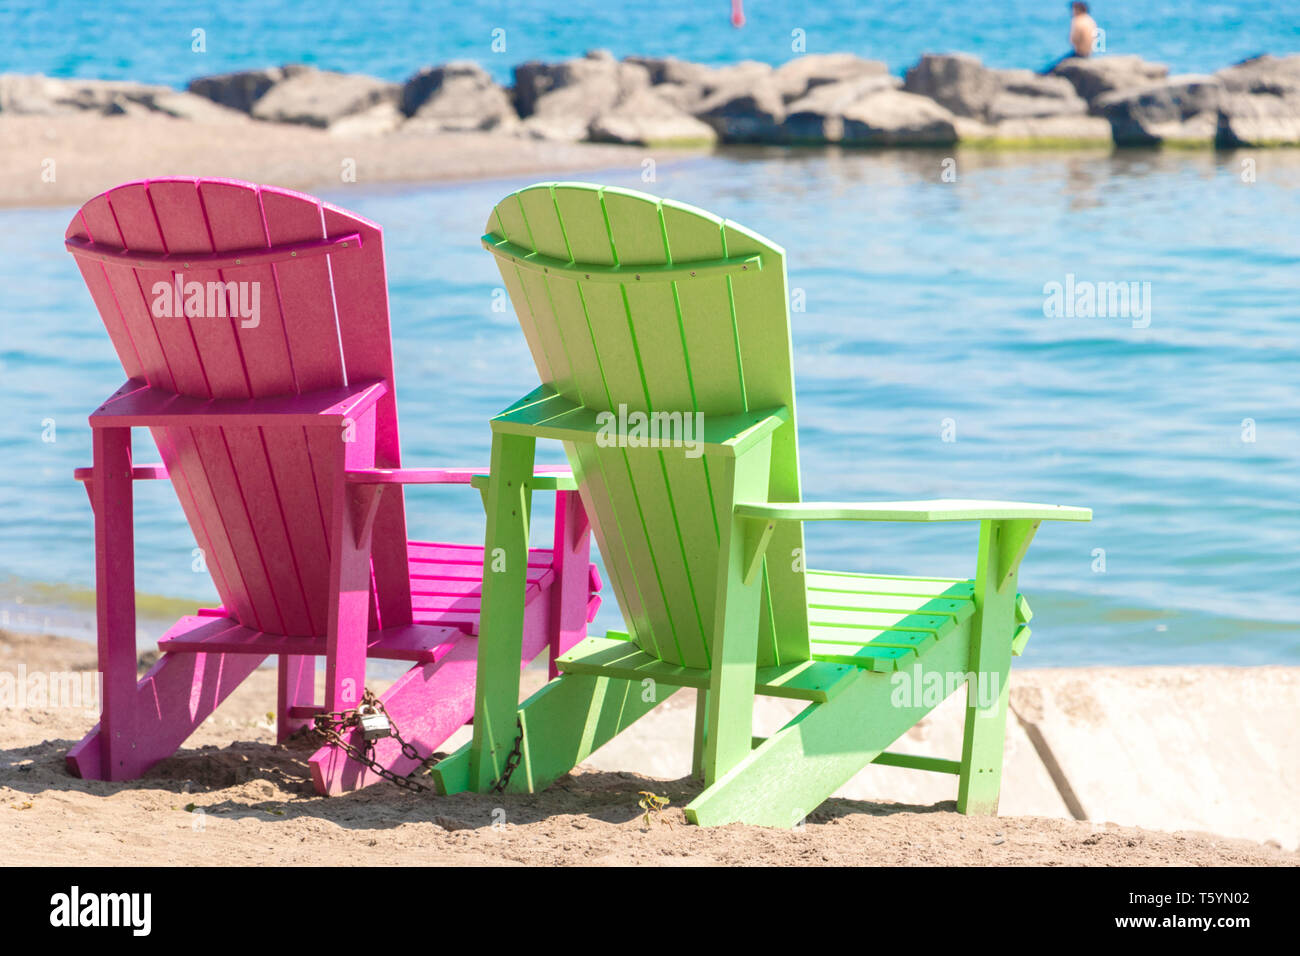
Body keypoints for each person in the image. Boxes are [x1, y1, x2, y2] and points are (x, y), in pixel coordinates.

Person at [1041, 2, 1099, 74]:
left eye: (1073, 9)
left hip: (1079, 54)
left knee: (1055, 67)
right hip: (1089, 53)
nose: (1071, 12)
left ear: (1078, 10)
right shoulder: (1090, 20)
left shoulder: (1078, 20)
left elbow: (1073, 40)